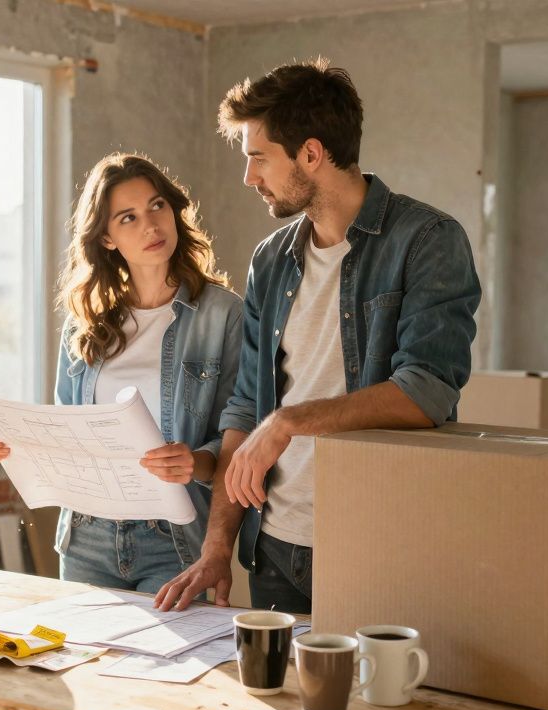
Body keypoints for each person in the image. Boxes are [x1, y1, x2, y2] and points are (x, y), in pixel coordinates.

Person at [154, 59, 481, 614]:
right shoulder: (271, 259)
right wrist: (217, 549)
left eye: (259, 157)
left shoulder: (427, 240)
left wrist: (288, 422)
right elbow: (243, 410)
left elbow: (426, 392)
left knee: (373, 703)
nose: (249, 177)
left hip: (379, 546)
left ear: (311, 153)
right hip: (276, 549)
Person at [0, 152, 242, 593]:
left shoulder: (222, 314)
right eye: (128, 217)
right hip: (86, 538)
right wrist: (6, 443)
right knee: (83, 662)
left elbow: (237, 432)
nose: (151, 226)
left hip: (172, 540)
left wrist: (196, 462)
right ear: (108, 238)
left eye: (157, 206)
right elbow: (65, 431)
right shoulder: (86, 321)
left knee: (170, 663)